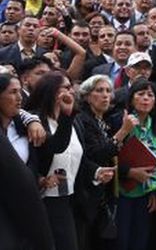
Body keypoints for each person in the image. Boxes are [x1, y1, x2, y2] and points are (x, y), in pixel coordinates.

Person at [31, 71, 114, 250]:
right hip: (43, 199)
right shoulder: (35, 120)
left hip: (71, 199)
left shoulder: (75, 121)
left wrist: (96, 172)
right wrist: (39, 178)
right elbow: (51, 149)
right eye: (66, 88)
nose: (72, 92)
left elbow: (79, 159)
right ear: (52, 91)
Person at [74, 75, 138, 250]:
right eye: (99, 90)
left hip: (104, 195)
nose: (105, 95)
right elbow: (96, 154)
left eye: (109, 91)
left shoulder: (103, 120)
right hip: (86, 196)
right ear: (86, 96)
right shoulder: (82, 119)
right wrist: (123, 131)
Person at [113, 79, 156, 250]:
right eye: (140, 94)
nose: (146, 98)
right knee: (121, 242)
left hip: (144, 193)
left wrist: (153, 191)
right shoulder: (119, 120)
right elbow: (106, 156)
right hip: (120, 194)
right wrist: (129, 172)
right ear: (131, 98)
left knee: (140, 242)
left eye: (150, 95)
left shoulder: (155, 125)